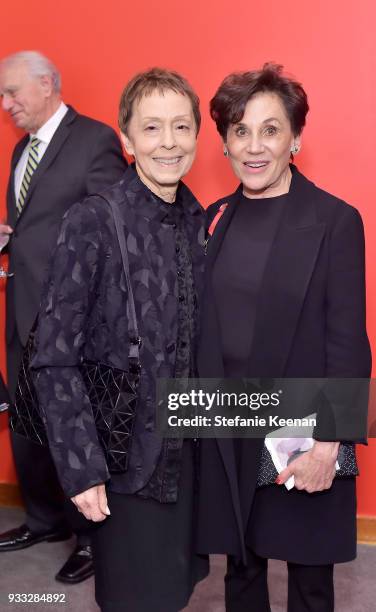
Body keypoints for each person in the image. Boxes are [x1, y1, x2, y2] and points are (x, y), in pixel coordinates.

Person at [30, 68, 208, 612]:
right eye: (152, 128)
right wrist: (81, 467)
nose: (169, 142)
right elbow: (51, 356)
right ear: (127, 141)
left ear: (198, 135)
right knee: (135, 597)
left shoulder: (200, 219)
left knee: (175, 592)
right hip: (122, 463)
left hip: (189, 455)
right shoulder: (93, 220)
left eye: (181, 126)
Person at [196, 63, 372, 611]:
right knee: (240, 570)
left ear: (295, 138)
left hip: (300, 423)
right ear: (224, 141)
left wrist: (329, 442)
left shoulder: (335, 221)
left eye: (270, 130)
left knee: (309, 577)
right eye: (240, 130)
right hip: (229, 420)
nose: (254, 146)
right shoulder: (213, 219)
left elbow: (347, 341)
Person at [0, 51, 127, 583]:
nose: (6, 105)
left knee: (75, 426)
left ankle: (94, 539)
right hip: (19, 307)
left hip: (68, 317)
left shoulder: (94, 140)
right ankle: (45, 518)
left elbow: (113, 222)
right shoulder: (19, 150)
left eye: (12, 93)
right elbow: (36, 224)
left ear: (46, 83)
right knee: (28, 425)